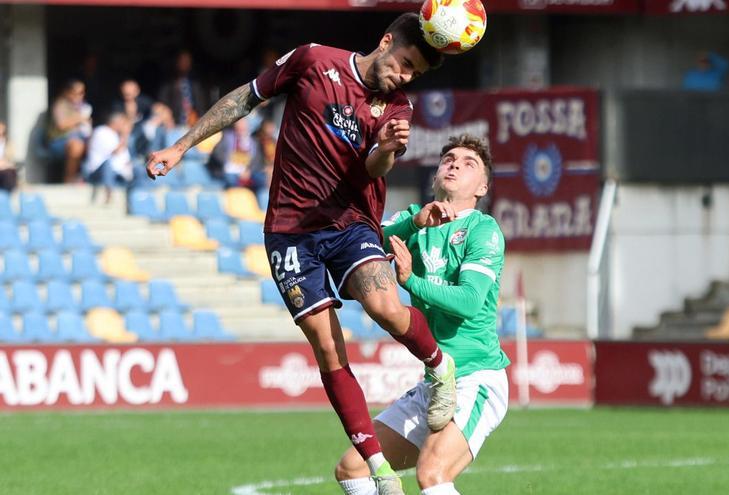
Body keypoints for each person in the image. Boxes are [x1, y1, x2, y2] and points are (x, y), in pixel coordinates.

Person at [146, 13, 453, 495]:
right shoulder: (312, 61)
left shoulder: (396, 107)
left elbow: (374, 167)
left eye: (414, 73)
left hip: (349, 223)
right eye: (404, 64)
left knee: (386, 309)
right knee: (327, 346)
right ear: (386, 41)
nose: (404, 77)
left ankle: (439, 366)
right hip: (289, 234)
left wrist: (389, 150)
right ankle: (376, 471)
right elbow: (244, 99)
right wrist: (182, 146)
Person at [335, 135, 508, 495]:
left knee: (432, 474)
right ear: (435, 175)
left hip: (477, 377)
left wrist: (411, 280)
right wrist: (414, 225)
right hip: (434, 382)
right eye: (448, 158)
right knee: (353, 468)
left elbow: (469, 301)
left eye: (468, 163)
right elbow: (365, 241)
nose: (455, 164)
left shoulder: (483, 230)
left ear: (483, 186)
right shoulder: (413, 220)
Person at [47, 79, 92, 183]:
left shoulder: (84, 106)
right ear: (67, 92)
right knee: (76, 146)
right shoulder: (60, 104)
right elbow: (61, 125)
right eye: (75, 93)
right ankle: (69, 180)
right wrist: (80, 119)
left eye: (81, 93)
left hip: (81, 138)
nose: (79, 96)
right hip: (59, 141)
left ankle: (88, 179)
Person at [82, 112, 133, 204]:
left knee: (138, 168)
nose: (124, 126)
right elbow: (115, 152)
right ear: (116, 122)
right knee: (107, 164)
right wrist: (125, 135)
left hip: (117, 174)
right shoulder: (101, 131)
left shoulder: (116, 135)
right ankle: (108, 194)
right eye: (123, 123)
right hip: (97, 173)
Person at [158, 50, 209, 127]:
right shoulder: (168, 85)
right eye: (182, 61)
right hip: (174, 125)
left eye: (187, 61)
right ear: (176, 62)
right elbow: (162, 105)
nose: (185, 63)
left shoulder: (195, 84)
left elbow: (201, 106)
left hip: (194, 124)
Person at [208, 118, 257, 188]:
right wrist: (228, 164)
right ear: (235, 125)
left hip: (244, 171)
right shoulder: (226, 136)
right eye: (240, 124)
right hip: (228, 170)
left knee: (260, 178)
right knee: (231, 179)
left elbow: (255, 160)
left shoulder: (252, 141)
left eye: (244, 124)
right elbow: (217, 153)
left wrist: (248, 170)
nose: (242, 127)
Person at [0, 120, 17, 191]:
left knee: (9, 174)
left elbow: (10, 161)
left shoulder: (9, 144)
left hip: (5, 170)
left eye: (3, 133)